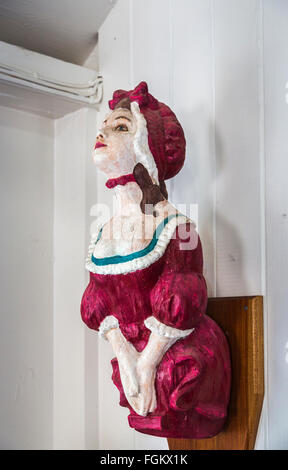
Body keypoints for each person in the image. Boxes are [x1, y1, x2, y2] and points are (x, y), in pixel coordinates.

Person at [81, 82, 231, 438]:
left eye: (120, 126)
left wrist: (147, 365)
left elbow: (184, 299)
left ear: (144, 147)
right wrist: (128, 359)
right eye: (104, 125)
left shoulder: (178, 226)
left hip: (183, 364)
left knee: (169, 382)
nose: (102, 131)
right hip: (134, 364)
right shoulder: (101, 234)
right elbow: (100, 308)